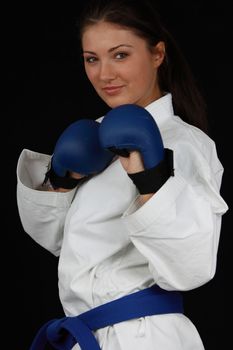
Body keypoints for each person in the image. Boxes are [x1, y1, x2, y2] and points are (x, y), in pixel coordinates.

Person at [16, 0, 229, 349]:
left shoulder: (183, 143)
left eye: (120, 55)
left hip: (144, 336)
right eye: (92, 59)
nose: (104, 74)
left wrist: (151, 179)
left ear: (157, 54)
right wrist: (61, 178)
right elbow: (59, 243)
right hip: (87, 333)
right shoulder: (94, 136)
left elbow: (191, 267)